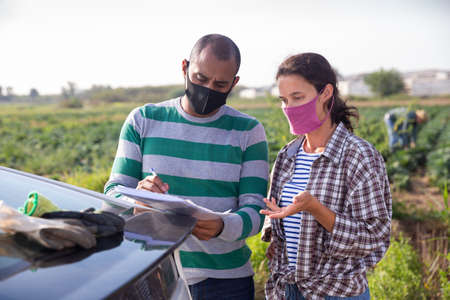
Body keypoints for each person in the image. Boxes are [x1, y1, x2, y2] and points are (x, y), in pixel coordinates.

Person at [103, 34, 269, 300]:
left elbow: (256, 211)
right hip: (153, 274)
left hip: (225, 282)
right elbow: (111, 195)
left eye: (220, 84)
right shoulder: (144, 120)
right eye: (201, 79)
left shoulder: (248, 131)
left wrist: (222, 225)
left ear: (234, 84)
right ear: (184, 68)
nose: (208, 90)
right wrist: (136, 198)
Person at [260, 53, 392, 300]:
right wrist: (278, 236)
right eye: (284, 100)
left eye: (298, 97)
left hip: (335, 293)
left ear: (326, 93)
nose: (289, 108)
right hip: (288, 290)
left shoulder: (358, 155)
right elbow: (280, 225)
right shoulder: (287, 155)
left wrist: (316, 209)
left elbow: (376, 236)